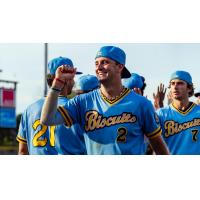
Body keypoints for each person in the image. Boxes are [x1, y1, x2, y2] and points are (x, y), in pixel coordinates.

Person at [41, 46, 169, 155]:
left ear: (120, 66)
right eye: (96, 63)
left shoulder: (141, 104)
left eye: (105, 62)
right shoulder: (82, 102)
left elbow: (157, 143)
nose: (99, 67)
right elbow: (47, 119)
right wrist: (57, 84)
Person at [17, 56, 86, 155]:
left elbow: (22, 151)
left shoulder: (29, 109)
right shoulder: (73, 108)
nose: (74, 81)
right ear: (65, 78)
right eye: (72, 77)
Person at [156, 70, 200, 155]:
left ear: (189, 88)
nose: (175, 87)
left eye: (180, 83)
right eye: (172, 83)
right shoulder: (161, 114)